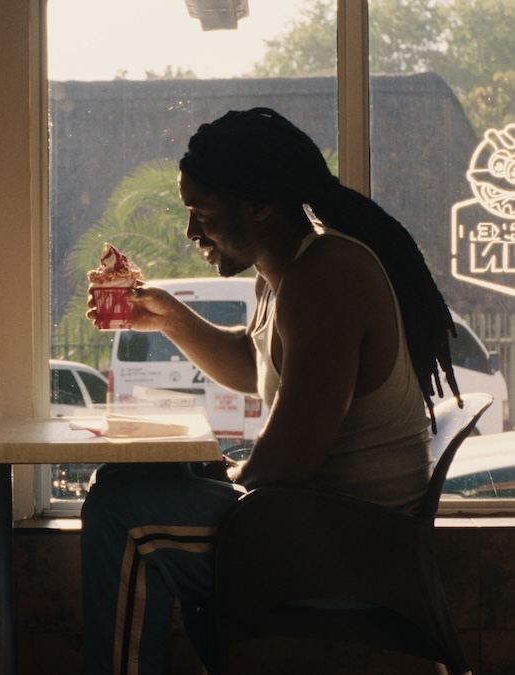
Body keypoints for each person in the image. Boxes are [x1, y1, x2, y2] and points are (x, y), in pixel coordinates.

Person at [80, 107, 461, 674]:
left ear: (257, 206)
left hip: (349, 547)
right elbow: (254, 364)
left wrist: (221, 473)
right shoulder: (284, 270)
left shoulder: (328, 278)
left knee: (124, 513)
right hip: (317, 523)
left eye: (200, 214)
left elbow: (287, 460)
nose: (190, 233)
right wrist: (169, 319)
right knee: (125, 480)